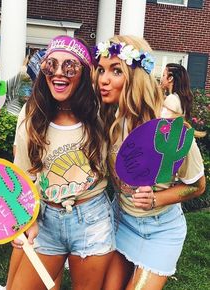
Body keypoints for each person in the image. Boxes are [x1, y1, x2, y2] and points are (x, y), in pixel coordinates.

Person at [0, 35, 115, 290]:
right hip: (46, 218)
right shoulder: (32, 114)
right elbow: (21, 175)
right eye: (50, 64)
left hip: (92, 221)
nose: (59, 73)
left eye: (70, 66)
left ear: (84, 73)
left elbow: (136, 97)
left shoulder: (101, 113)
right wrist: (26, 219)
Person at [92, 35, 206, 289]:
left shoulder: (170, 129)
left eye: (115, 71)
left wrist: (157, 199)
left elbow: (197, 187)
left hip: (161, 231)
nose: (104, 79)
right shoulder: (107, 120)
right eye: (101, 70)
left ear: (136, 76)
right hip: (122, 222)